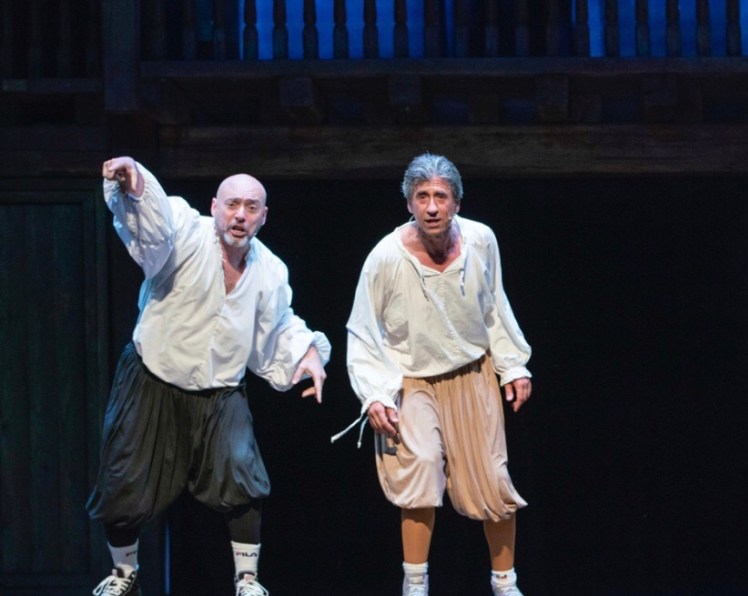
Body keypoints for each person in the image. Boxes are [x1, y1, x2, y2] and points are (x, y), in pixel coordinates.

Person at [87, 157, 331, 596]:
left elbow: (277, 325)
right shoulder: (186, 232)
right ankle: (123, 574)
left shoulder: (270, 270)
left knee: (243, 472)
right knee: (124, 478)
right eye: (232, 204)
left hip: (221, 391)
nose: (240, 215)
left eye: (251, 207)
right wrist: (136, 180)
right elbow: (154, 225)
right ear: (215, 206)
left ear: (263, 216)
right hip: (153, 376)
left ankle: (247, 580)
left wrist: (309, 352)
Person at [342, 153, 532, 596]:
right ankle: (415, 585)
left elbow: (494, 306)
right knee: (420, 470)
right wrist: (375, 394)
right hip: (412, 380)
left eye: (441, 197)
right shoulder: (385, 257)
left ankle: (505, 585)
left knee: (493, 480)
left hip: (472, 374)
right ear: (409, 203)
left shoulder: (481, 240)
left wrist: (512, 365)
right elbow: (364, 330)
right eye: (422, 196)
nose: (431, 207)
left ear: (457, 203)